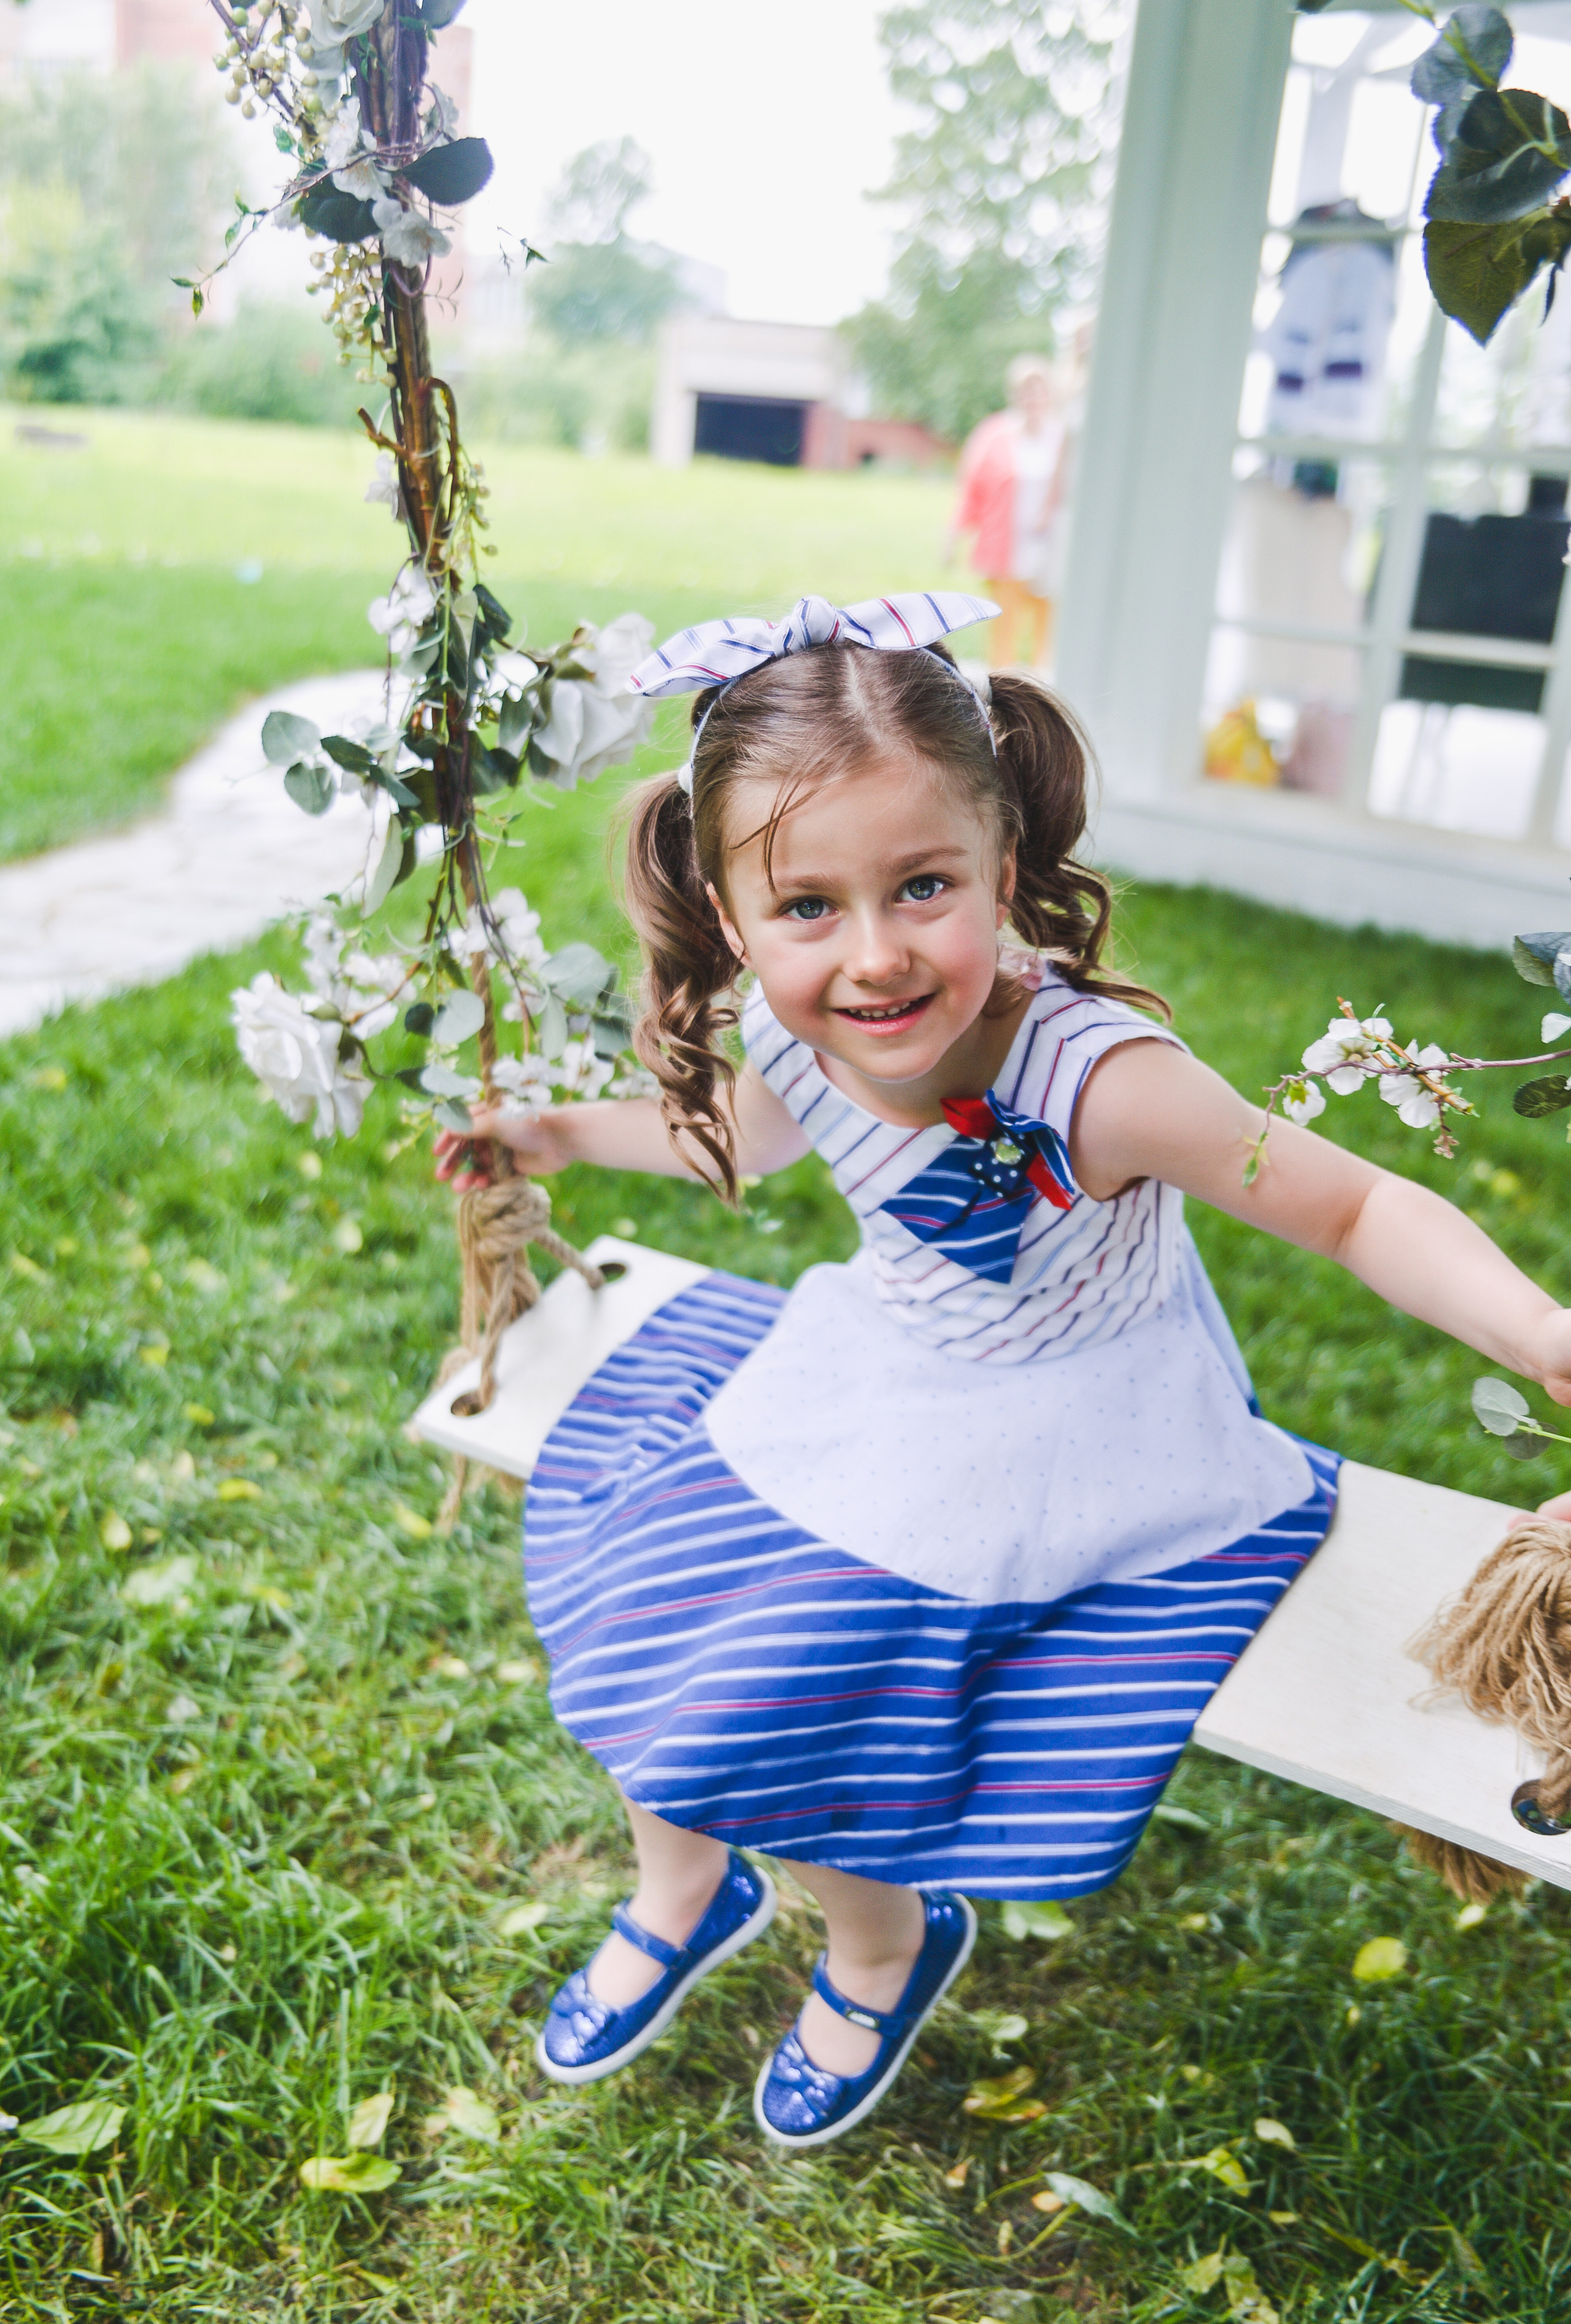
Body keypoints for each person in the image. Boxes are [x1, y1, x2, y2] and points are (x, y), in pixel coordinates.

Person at [435, 591, 1571, 2150]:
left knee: (804, 1674)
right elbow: (745, 1148)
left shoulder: (1102, 1084)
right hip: (885, 1364)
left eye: (922, 887)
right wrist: (559, 1134)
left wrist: (1542, 1336)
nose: (877, 954)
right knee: (664, 1580)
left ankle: (882, 1940)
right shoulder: (787, 1031)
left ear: (1003, 870)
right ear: (730, 905)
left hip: (1075, 1414)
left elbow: (1355, 1202)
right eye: (808, 907)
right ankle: (680, 1884)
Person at [946, 356, 1067, 673]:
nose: (1032, 397)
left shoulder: (1062, 436)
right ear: (1014, 395)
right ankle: (1004, 685)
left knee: (1048, 620)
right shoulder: (995, 434)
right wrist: (952, 538)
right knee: (1005, 623)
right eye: (1025, 390)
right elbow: (972, 487)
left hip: (1050, 548)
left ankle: (1043, 685)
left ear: (1051, 394)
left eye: (1039, 390)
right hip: (1007, 548)